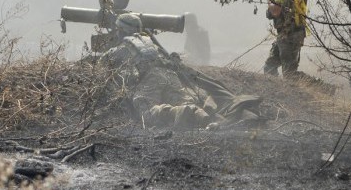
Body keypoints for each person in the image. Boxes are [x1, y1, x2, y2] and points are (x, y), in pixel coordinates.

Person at [101, 13, 261, 129]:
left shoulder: (124, 47)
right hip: (170, 75)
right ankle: (204, 118)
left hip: (150, 79)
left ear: (120, 30)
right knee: (186, 101)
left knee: (146, 113)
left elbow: (103, 62)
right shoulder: (150, 42)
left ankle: (180, 112)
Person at [263, 0, 308, 77]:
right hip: (283, 34)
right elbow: (273, 13)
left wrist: (271, 8)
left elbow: (277, 12)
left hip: (291, 35)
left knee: (289, 75)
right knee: (269, 67)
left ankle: (324, 89)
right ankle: (275, 93)